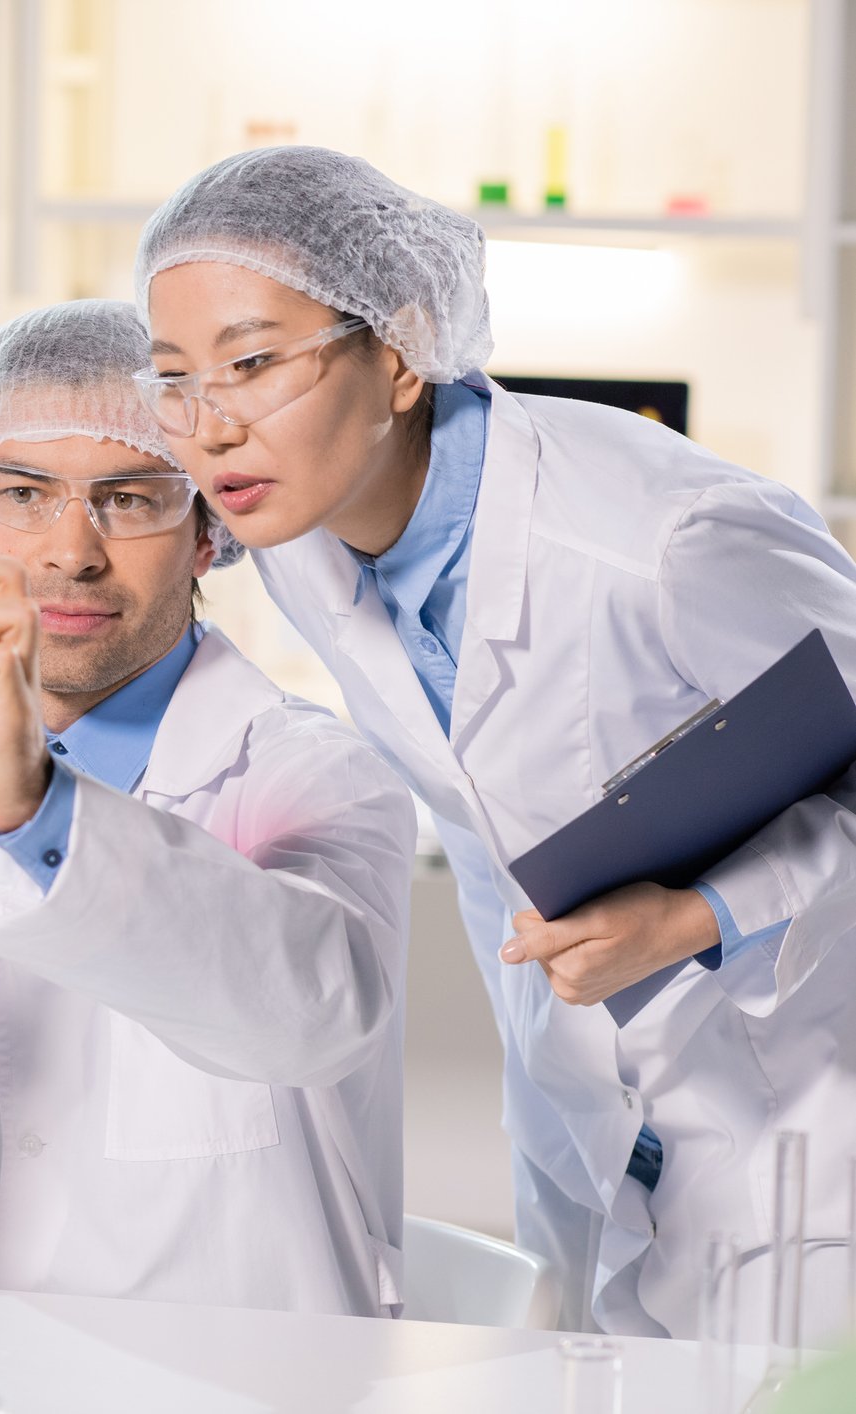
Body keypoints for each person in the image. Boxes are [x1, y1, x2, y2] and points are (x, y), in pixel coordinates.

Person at [131, 145, 856, 1336]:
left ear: (403, 349)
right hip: (580, 1112)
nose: (208, 428)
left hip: (799, 1113)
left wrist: (700, 916)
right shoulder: (300, 528)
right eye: (174, 377)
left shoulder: (665, 540)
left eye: (254, 364)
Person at [0, 298, 415, 1316]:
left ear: (207, 532)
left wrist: (36, 818)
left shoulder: (311, 773)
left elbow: (314, 1015)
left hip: (235, 1384)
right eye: (23, 492)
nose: (72, 551)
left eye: (130, 496)